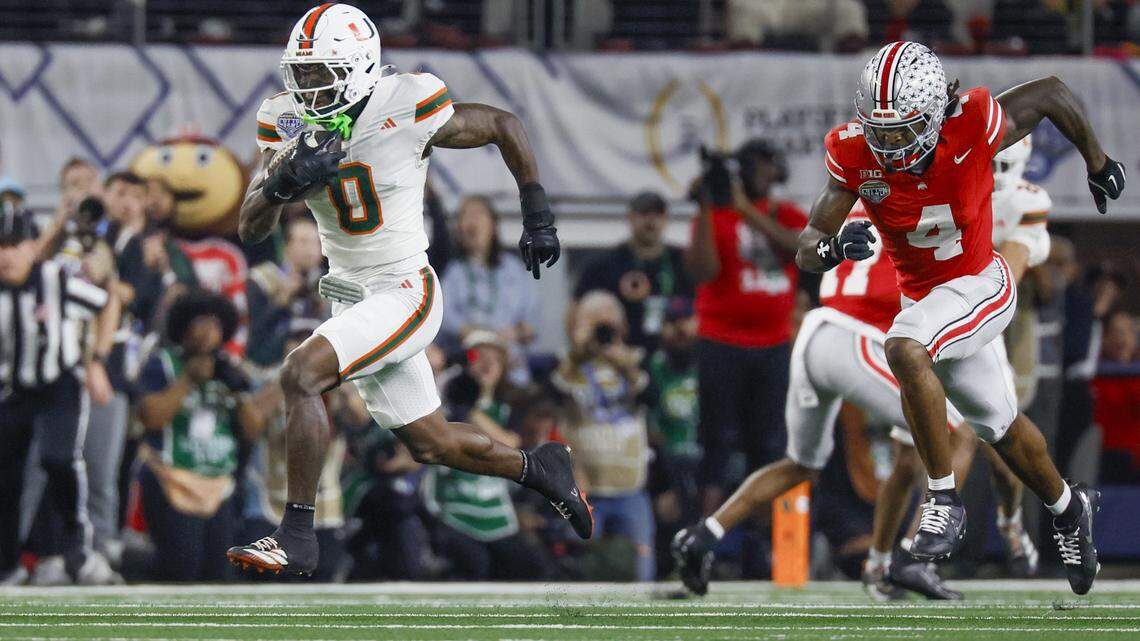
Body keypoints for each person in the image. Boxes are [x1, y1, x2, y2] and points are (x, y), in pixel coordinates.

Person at [228, 3, 590, 577]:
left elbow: (502, 124)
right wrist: (280, 184)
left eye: (322, 73)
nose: (308, 89)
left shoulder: (407, 101)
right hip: (348, 292)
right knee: (432, 443)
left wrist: (536, 211)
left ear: (360, 67)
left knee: (301, 373)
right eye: (302, 74)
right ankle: (540, 468)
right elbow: (249, 228)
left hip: (403, 289)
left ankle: (295, 534)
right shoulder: (285, 120)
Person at [794, 41, 1125, 594]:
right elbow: (809, 241)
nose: (889, 143)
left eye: (901, 130)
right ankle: (1070, 509)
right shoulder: (854, 152)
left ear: (931, 114)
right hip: (927, 303)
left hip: (979, 283)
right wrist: (829, 250)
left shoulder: (970, 122)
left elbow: (1051, 93)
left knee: (903, 346)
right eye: (880, 130)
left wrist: (1098, 160)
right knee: (1001, 428)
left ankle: (943, 501)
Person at [672, 211, 956, 599]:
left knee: (801, 463)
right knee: (951, 431)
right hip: (854, 337)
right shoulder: (913, 208)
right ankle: (907, 560)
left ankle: (703, 534)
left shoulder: (849, 204)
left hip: (814, 334)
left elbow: (807, 249)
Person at [875, 136, 1054, 585]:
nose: (989, 175)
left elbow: (1006, 277)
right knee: (908, 451)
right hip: (932, 322)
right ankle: (883, 559)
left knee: (998, 443)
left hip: (984, 324)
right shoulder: (942, 176)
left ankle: (1005, 523)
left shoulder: (1024, 202)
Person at [686, 139, 807, 516]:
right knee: (717, 444)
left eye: (764, 164)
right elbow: (701, 272)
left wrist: (746, 211)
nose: (757, 172)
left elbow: (801, 250)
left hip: (772, 345)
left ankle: (766, 540)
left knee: (769, 445)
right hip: (720, 342)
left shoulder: (786, 214)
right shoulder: (717, 215)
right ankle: (706, 536)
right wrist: (707, 208)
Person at [0, 209, 120, 586]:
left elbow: (107, 303)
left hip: (59, 384)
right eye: (0, 246)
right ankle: (7, 564)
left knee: (59, 459)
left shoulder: (55, 280)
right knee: (6, 477)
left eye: (14, 245)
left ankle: (77, 551)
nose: (6, 255)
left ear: (32, 247)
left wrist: (97, 360)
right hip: (13, 389)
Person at [135, 290, 263, 582]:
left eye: (216, 325)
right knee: (182, 568)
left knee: (220, 575)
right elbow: (149, 417)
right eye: (201, 323)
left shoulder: (229, 370)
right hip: (172, 480)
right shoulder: (163, 363)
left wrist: (240, 394)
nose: (209, 332)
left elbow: (253, 429)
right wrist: (188, 381)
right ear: (183, 326)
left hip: (219, 486)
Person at [553, 291, 655, 580]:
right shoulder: (567, 364)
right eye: (592, 323)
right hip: (583, 488)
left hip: (630, 487)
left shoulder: (637, 360)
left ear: (622, 326)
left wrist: (625, 364)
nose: (601, 330)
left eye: (606, 323)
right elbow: (551, 396)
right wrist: (577, 352)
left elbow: (653, 399)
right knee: (582, 573)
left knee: (641, 573)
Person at [575, 191, 692, 354]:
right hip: (621, 354)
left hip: (674, 356)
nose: (651, 220)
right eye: (644, 213)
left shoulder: (683, 261)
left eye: (657, 214)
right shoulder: (604, 264)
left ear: (666, 219)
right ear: (630, 217)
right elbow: (576, 310)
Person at [439, 195, 538, 384]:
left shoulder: (514, 269)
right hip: (468, 365)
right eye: (464, 216)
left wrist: (515, 332)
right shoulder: (454, 272)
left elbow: (531, 322)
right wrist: (467, 331)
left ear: (493, 225)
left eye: (477, 214)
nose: (471, 222)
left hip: (509, 366)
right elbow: (443, 314)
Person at [246, 214, 328, 366]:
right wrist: (281, 303)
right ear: (286, 245)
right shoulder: (262, 278)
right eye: (304, 242)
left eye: (317, 242)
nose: (311, 250)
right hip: (269, 366)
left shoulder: (329, 283)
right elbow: (253, 338)